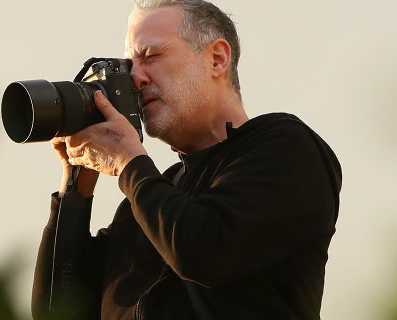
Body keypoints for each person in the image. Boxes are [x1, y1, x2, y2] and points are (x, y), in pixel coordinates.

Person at [31, 0, 342, 319]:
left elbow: (203, 253)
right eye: (129, 67)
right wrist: (74, 187)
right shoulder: (148, 200)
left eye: (150, 56)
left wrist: (127, 162)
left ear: (217, 59)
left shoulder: (285, 148)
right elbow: (57, 312)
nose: (136, 79)